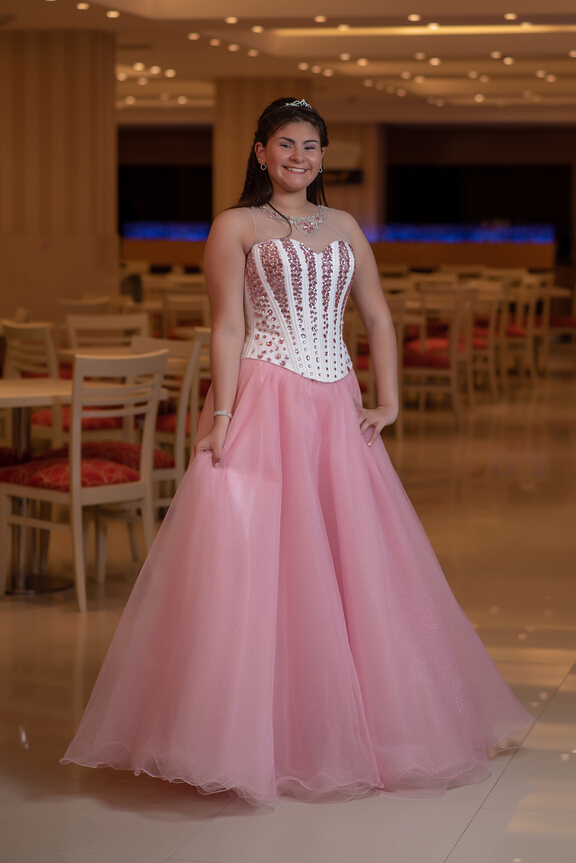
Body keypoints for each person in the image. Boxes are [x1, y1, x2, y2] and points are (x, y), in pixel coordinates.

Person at [61, 97, 535, 805]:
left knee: (352, 561)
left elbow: (377, 314)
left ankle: (348, 729)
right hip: (266, 395)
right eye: (286, 144)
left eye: (311, 147)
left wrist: (388, 401)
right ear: (261, 152)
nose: (299, 157)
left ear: (322, 157)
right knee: (258, 561)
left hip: (335, 401)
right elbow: (227, 327)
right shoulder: (235, 225)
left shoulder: (343, 225)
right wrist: (223, 414)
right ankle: (248, 737)